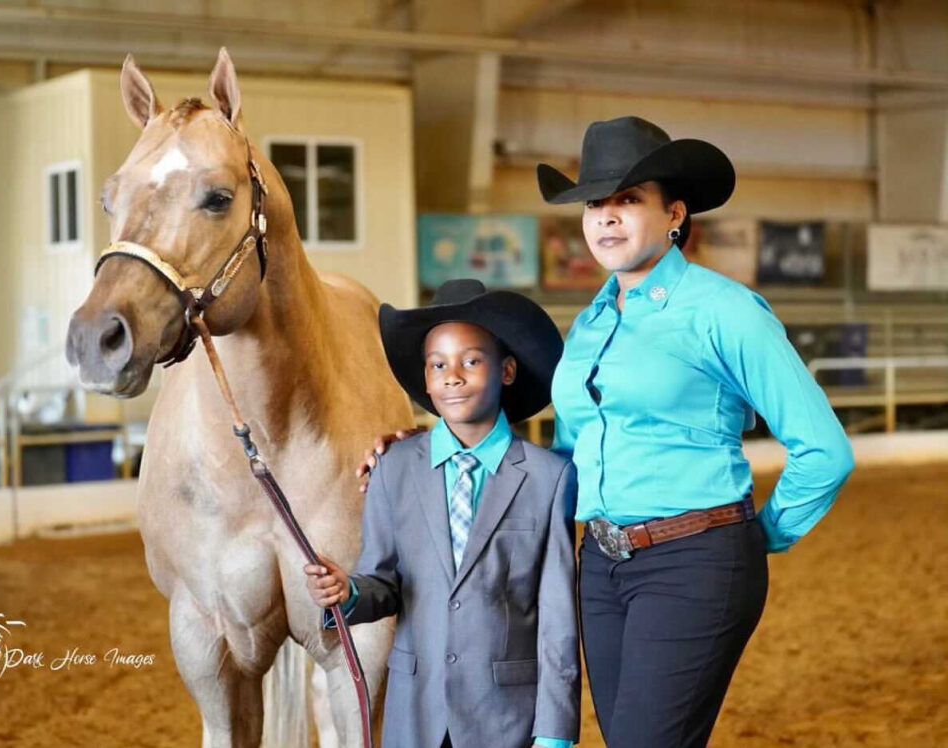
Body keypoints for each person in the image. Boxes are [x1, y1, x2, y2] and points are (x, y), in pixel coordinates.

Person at [361, 116, 855, 748]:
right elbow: (564, 463)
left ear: (674, 213)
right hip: (599, 564)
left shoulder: (724, 311)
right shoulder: (593, 323)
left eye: (629, 200)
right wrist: (436, 450)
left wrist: (755, 536)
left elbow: (825, 450)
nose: (608, 218)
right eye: (597, 204)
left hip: (693, 559)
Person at [304, 279, 581, 748]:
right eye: (438, 365)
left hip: (506, 718)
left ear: (507, 370)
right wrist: (347, 591)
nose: (452, 376)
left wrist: (554, 732)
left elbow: (557, 617)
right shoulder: (392, 469)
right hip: (417, 712)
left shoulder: (548, 478)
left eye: (471, 361)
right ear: (426, 379)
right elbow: (384, 581)